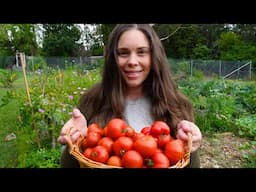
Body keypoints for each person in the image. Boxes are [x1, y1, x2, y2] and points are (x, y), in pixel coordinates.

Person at [57, 24, 202, 168]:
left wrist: (192, 147)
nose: (132, 62)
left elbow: (188, 163)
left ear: (154, 57)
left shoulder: (177, 104)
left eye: (142, 52)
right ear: (113, 58)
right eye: (123, 53)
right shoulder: (93, 100)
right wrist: (74, 142)